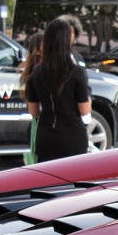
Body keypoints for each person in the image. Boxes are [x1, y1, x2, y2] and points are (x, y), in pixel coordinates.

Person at [24, 17, 92, 161]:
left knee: (49, 182)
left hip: (45, 136)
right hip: (72, 137)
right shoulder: (76, 72)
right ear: (67, 41)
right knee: (74, 180)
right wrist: (89, 100)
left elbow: (33, 111)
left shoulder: (36, 72)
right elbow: (85, 110)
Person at [18, 31, 44, 165]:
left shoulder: (29, 70)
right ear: (38, 50)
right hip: (40, 122)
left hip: (35, 122)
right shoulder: (39, 71)